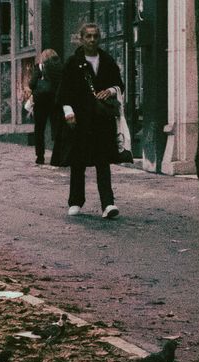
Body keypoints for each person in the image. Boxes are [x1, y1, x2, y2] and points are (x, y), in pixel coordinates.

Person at [56, 22, 124, 219]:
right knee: (78, 161)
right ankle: (76, 201)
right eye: (88, 36)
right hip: (80, 120)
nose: (92, 40)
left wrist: (110, 91)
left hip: (101, 120)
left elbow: (119, 84)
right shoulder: (72, 63)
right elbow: (64, 91)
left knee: (103, 161)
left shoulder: (108, 60)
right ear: (81, 39)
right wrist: (68, 112)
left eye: (95, 36)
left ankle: (108, 204)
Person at [28, 49, 63, 165]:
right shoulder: (60, 67)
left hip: (41, 102)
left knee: (39, 129)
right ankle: (57, 156)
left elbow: (32, 84)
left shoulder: (39, 67)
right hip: (56, 101)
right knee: (57, 128)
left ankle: (40, 157)